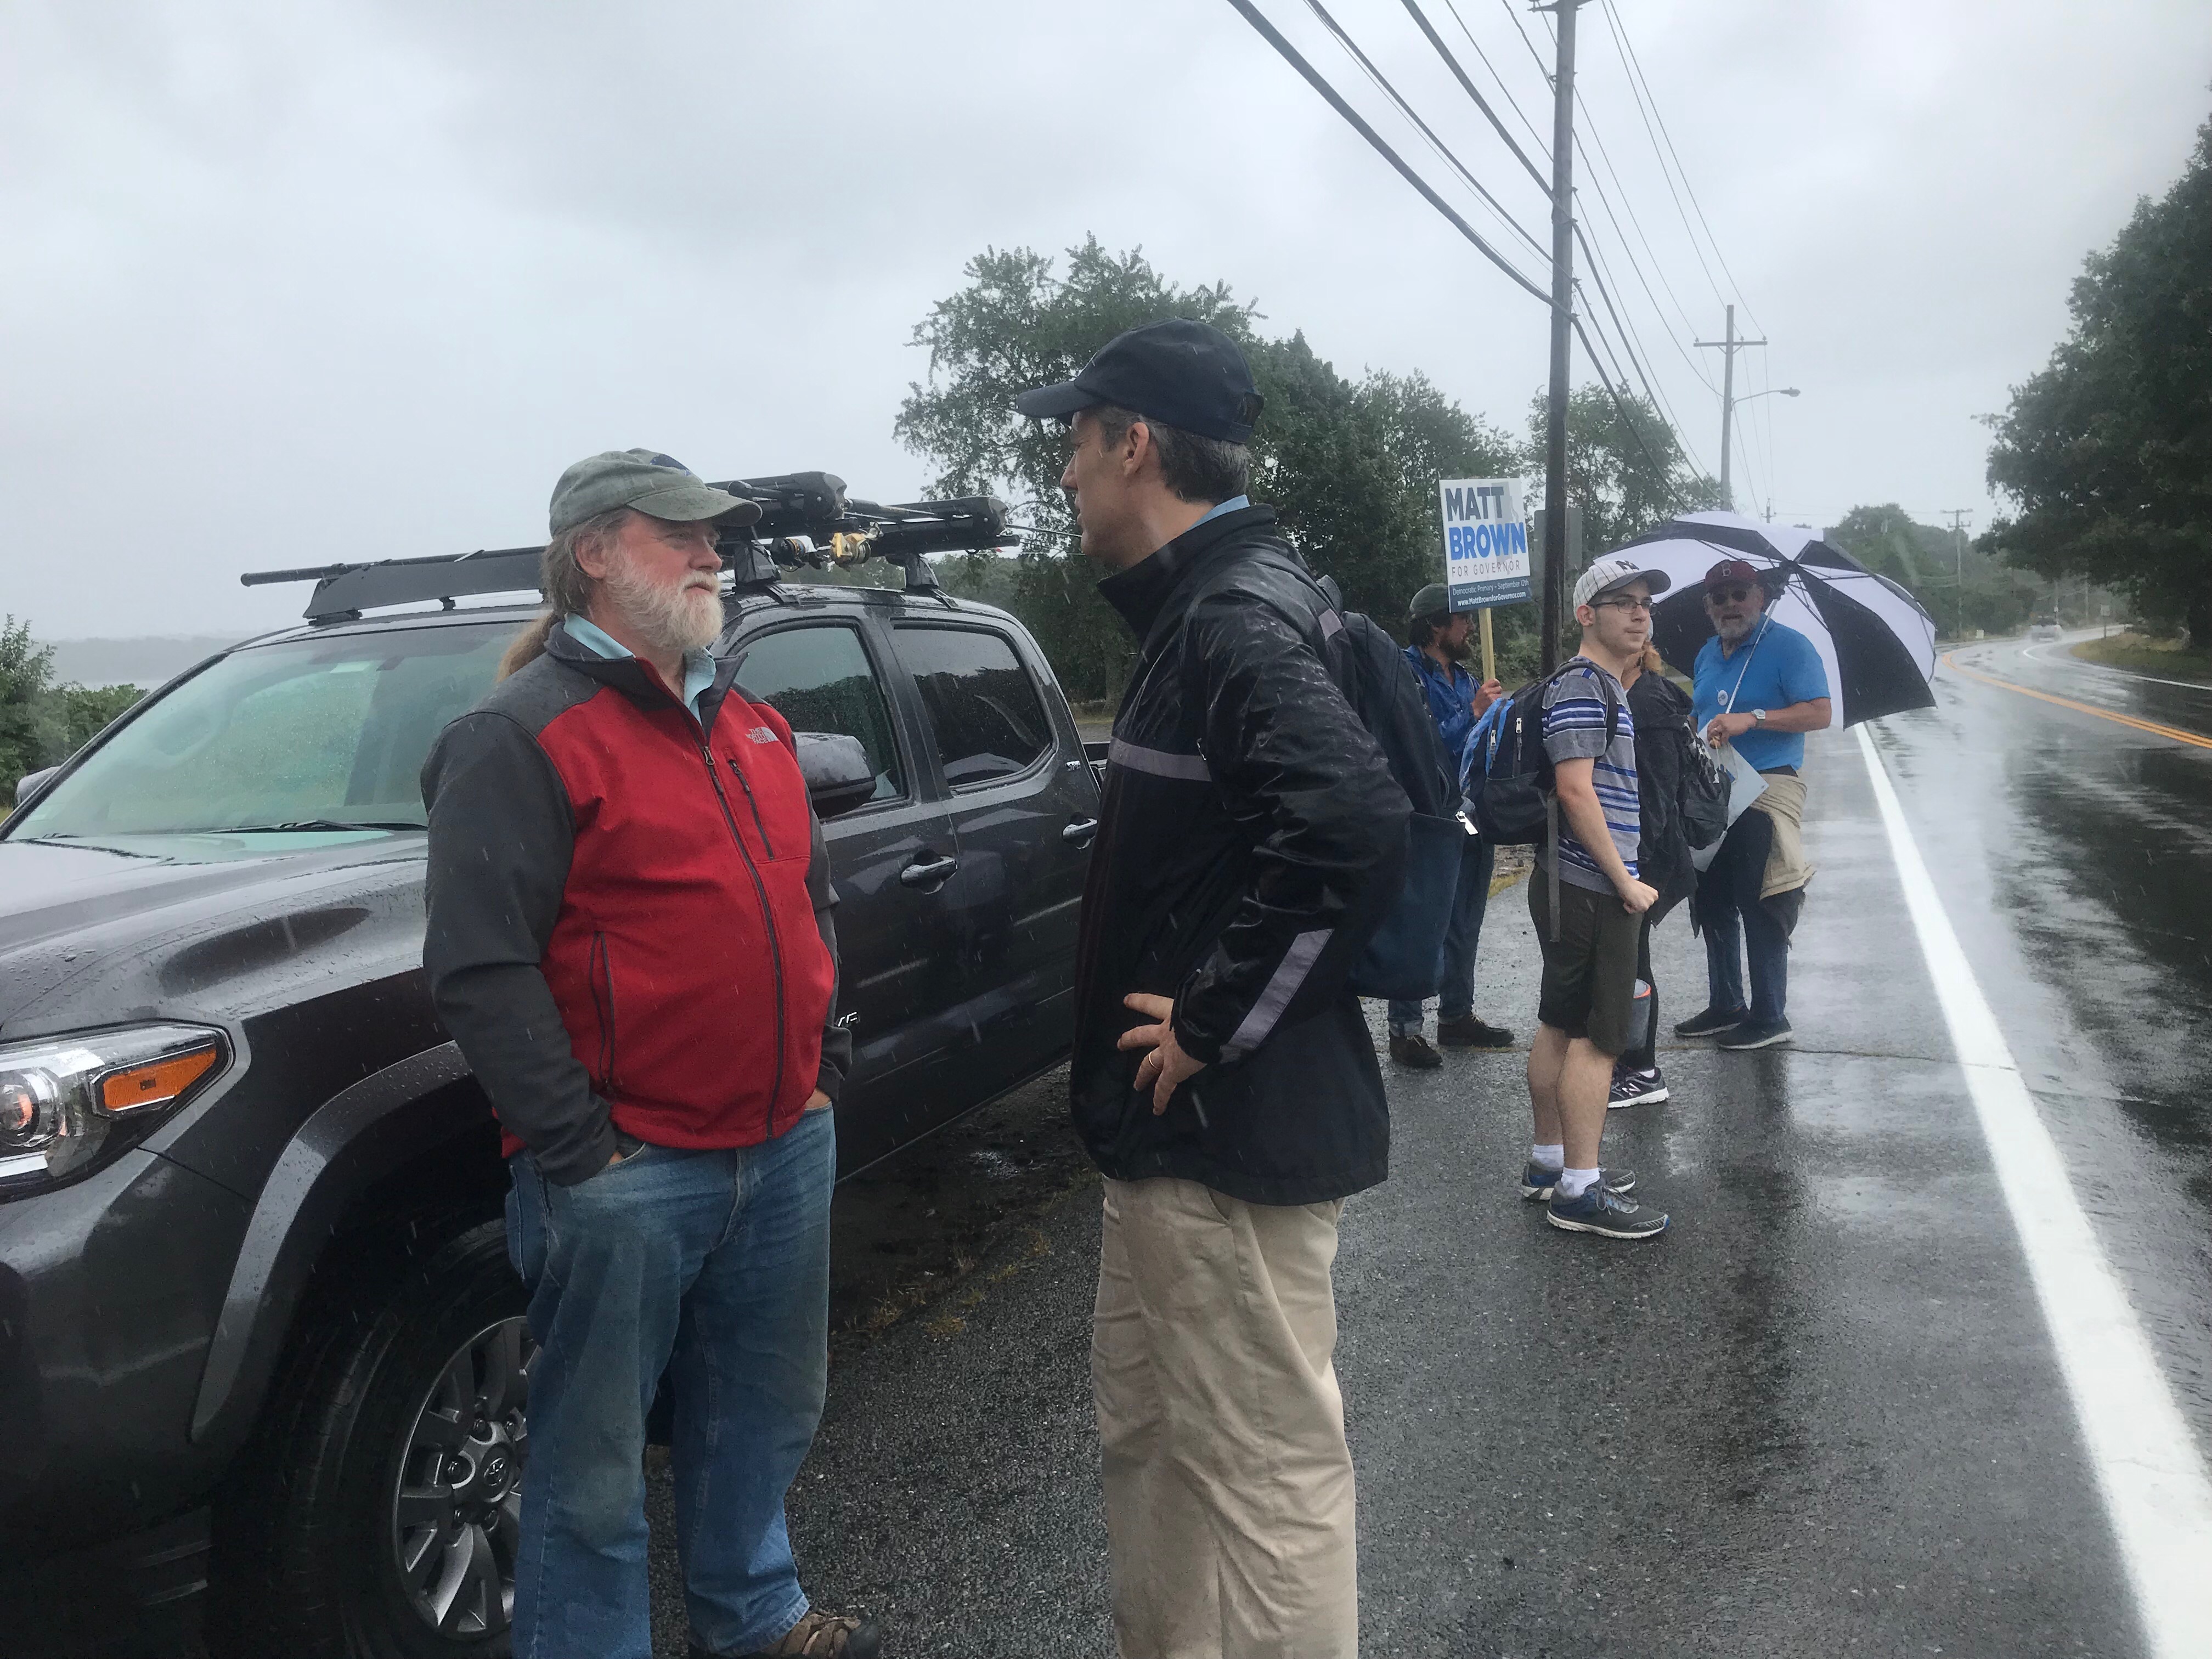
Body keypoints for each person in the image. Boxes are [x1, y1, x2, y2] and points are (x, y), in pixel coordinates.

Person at [421, 450, 879, 1659]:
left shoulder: (754, 725)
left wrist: (824, 1068)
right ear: (593, 554)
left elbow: (808, 900)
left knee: (764, 1411)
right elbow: (480, 965)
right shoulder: (516, 736)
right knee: (591, 1465)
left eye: (713, 536)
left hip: (782, 1142)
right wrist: (583, 1151)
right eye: (679, 533)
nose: (710, 554)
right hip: (632, 1173)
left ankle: (755, 1613)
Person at [1017, 319, 1407, 1658]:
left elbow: (1351, 824)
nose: (1064, 474)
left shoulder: (1235, 619)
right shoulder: (1209, 608)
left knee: (1265, 1478)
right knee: (1155, 1444)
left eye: (1075, 443)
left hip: (1224, 1145)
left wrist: (1210, 1019)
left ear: (1135, 444)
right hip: (1168, 1148)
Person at [1520, 555, 1672, 1240]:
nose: (1641, 613)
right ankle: (1580, 1190)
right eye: (1623, 602)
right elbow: (1577, 789)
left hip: (1568, 882)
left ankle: (1550, 1162)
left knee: (1559, 1023)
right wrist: (1625, 881)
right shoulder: (1587, 687)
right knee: (1599, 1038)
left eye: (1645, 603)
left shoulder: (1596, 685)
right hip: (1590, 886)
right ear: (1588, 614)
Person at [1675, 558, 1833, 1051]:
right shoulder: (1706, 654)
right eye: (1719, 598)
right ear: (1708, 607)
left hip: (1768, 785)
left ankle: (1771, 1015)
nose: (1730, 605)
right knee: (1711, 894)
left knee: (1761, 894)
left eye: (1739, 594)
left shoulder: (1788, 645)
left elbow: (1819, 712)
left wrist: (1754, 718)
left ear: (1760, 597)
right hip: (1713, 786)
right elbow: (1702, 710)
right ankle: (1727, 1004)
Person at [1386, 584, 1512, 1068]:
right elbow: (1417, 744)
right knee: (1421, 921)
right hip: (1426, 815)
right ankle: (1405, 1030)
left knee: (1465, 921)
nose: (1467, 630)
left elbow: (1480, 747)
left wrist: (1499, 722)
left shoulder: (1465, 676)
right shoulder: (1402, 672)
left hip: (1471, 813)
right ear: (1437, 625)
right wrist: (1473, 713)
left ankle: (1457, 1015)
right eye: (1461, 621)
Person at [1609, 640, 1697, 1109]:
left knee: (1634, 961)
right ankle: (1630, 1062)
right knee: (1627, 958)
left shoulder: (1650, 703)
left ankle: (1642, 1069)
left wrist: (1632, 870)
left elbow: (1657, 797)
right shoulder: (1632, 697)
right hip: (1635, 856)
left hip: (1647, 858)